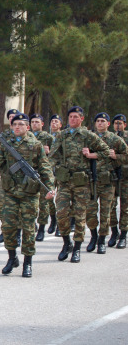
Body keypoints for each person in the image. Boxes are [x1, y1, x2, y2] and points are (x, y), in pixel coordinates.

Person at [0, 113, 55, 277]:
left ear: (27, 127)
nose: (17, 127)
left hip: (29, 194)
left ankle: (27, 263)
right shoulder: (6, 145)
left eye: (21, 125)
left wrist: (50, 187)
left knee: (29, 229)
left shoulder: (35, 145)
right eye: (14, 124)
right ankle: (11, 258)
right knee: (8, 227)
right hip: (9, 193)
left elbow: (45, 169)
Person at [49, 106, 110, 263]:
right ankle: (66, 243)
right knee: (61, 213)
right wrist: (50, 171)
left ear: (81, 119)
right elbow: (53, 157)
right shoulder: (61, 136)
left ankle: (76, 248)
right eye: (71, 117)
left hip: (81, 183)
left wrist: (91, 155)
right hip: (64, 181)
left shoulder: (88, 135)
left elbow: (105, 151)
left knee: (80, 215)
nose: (73, 119)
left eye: (76, 117)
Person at [85, 113, 128, 254]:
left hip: (108, 181)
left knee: (106, 212)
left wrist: (116, 156)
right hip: (91, 180)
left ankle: (103, 239)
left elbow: (126, 155)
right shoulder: (88, 138)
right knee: (90, 212)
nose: (100, 123)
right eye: (98, 121)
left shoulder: (115, 139)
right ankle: (94, 236)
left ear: (108, 124)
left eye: (103, 121)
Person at [29, 113, 56, 241]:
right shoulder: (26, 137)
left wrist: (49, 152)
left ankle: (41, 229)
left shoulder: (48, 138)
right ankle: (31, 224)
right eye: (33, 122)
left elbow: (58, 155)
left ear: (42, 124)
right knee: (29, 202)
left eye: (37, 122)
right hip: (29, 174)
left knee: (43, 203)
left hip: (43, 173)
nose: (35, 124)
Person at [0, 109, 19, 244]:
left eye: (14, 117)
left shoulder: (27, 136)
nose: (12, 119)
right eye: (10, 117)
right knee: (0, 203)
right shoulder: (3, 136)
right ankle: (6, 228)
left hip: (21, 178)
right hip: (6, 176)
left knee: (19, 207)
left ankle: (18, 231)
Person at [110, 114, 128, 248]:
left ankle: (123, 235)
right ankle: (114, 231)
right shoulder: (110, 138)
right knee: (110, 205)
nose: (118, 125)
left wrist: (117, 157)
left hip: (126, 176)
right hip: (112, 175)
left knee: (125, 207)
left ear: (125, 125)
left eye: (120, 123)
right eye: (116, 123)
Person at [49, 114, 64, 235]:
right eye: (52, 121)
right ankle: (53, 218)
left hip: (61, 170)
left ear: (60, 125)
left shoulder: (64, 136)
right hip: (49, 170)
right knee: (48, 198)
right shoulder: (46, 137)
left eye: (56, 121)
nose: (54, 123)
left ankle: (60, 224)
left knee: (60, 199)